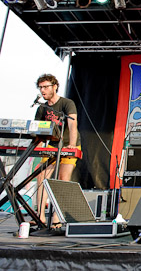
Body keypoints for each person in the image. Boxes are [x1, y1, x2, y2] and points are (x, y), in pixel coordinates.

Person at [34, 74, 80, 229]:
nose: (43, 90)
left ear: (55, 87)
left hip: (68, 144)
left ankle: (56, 218)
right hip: (52, 146)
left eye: (46, 86)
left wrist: (72, 145)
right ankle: (39, 216)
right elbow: (38, 130)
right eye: (40, 87)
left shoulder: (67, 103)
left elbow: (73, 125)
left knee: (63, 178)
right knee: (41, 176)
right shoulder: (42, 108)